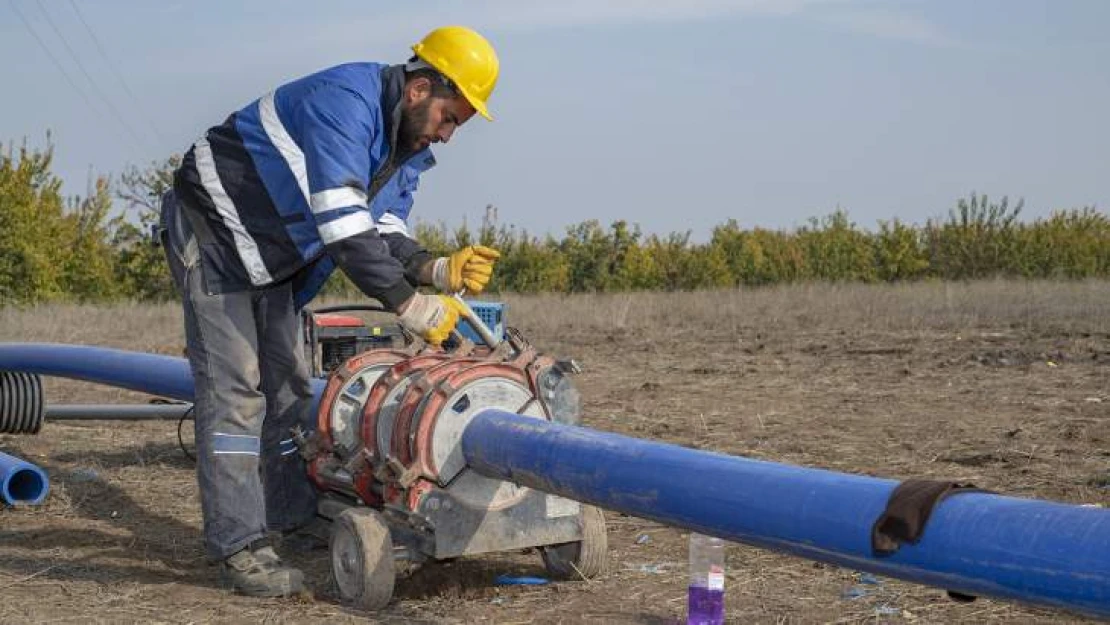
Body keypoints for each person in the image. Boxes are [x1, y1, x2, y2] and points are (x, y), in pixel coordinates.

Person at [158, 25, 502, 597]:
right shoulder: (346, 103)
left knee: (290, 389)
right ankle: (240, 548)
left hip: (272, 255)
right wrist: (412, 305)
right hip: (215, 234)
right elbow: (343, 225)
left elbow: (381, 228)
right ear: (420, 88)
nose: (448, 135)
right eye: (451, 116)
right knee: (237, 394)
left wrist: (435, 269)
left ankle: (292, 518)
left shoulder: (406, 149)